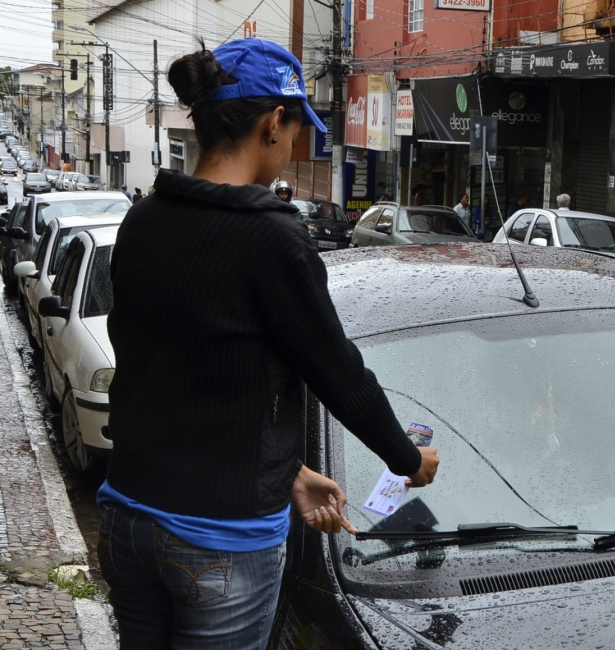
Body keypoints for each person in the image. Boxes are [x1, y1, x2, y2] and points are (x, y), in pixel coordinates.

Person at [98, 38, 439, 649]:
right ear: (272, 123)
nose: (291, 147)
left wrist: (287, 475)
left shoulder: (142, 220)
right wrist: (408, 460)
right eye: (293, 129)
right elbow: (339, 372)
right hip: (218, 542)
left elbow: (181, 379)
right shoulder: (272, 240)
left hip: (127, 516)